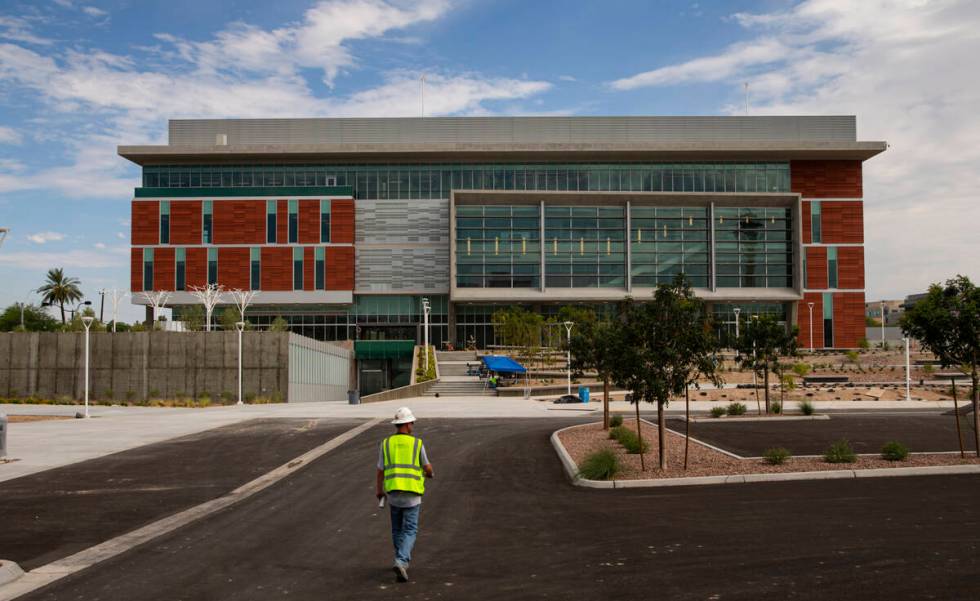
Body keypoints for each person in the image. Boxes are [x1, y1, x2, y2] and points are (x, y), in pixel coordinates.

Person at [376, 406, 434, 583]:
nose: (413, 425)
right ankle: (401, 560)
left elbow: (380, 471)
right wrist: (430, 474)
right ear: (407, 424)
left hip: (393, 494)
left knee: (397, 529)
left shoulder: (386, 444)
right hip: (412, 494)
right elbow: (427, 467)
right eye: (412, 423)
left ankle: (399, 558)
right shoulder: (417, 443)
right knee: (410, 529)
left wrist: (379, 491)